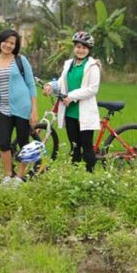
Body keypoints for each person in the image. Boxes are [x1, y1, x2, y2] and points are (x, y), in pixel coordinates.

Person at [0, 29, 38, 186]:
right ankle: (8, 175)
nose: (8, 45)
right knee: (4, 143)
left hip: (23, 107)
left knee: (23, 142)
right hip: (4, 108)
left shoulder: (20, 60)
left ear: (15, 46)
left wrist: (34, 110)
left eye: (12, 43)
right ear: (0, 41)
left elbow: (31, 85)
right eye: (6, 41)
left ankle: (19, 177)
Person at [44, 31, 101, 172]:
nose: (80, 50)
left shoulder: (93, 66)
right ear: (74, 47)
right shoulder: (69, 64)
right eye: (78, 47)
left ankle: (90, 177)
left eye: (84, 48)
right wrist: (51, 86)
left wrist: (71, 96)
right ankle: (75, 175)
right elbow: (62, 82)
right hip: (69, 112)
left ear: (89, 50)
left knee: (87, 146)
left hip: (84, 112)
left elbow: (92, 89)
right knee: (74, 146)